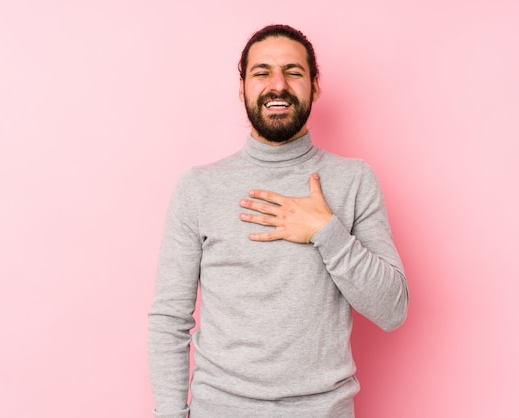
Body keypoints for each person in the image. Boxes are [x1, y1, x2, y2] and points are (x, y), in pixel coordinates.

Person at [148, 24, 409, 418]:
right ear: (242, 88)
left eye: (293, 71)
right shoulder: (198, 188)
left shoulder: (354, 180)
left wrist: (326, 231)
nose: (278, 84)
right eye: (262, 72)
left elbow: (392, 310)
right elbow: (170, 318)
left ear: (315, 86)